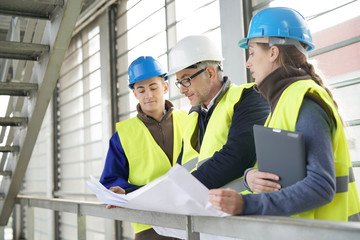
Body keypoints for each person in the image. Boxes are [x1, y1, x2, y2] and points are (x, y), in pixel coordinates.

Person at [209, 7, 360, 221]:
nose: (247, 63)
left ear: (273, 52)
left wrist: (247, 204)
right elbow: (278, 172)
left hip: (328, 232)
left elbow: (321, 186)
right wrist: (249, 177)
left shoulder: (304, 100)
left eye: (252, 52)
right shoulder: (283, 101)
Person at [168, 35, 270, 191]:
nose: (182, 89)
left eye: (186, 80)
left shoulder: (249, 97)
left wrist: (183, 189)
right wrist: (130, 192)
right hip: (206, 211)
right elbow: (176, 174)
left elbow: (236, 157)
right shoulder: (192, 118)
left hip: (242, 210)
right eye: (179, 83)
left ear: (210, 73)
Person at [100, 56, 186, 240]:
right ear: (135, 94)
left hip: (190, 218)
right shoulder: (123, 135)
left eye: (153, 88)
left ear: (165, 87)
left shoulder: (189, 121)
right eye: (141, 89)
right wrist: (120, 190)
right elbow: (111, 178)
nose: (148, 95)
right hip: (148, 225)